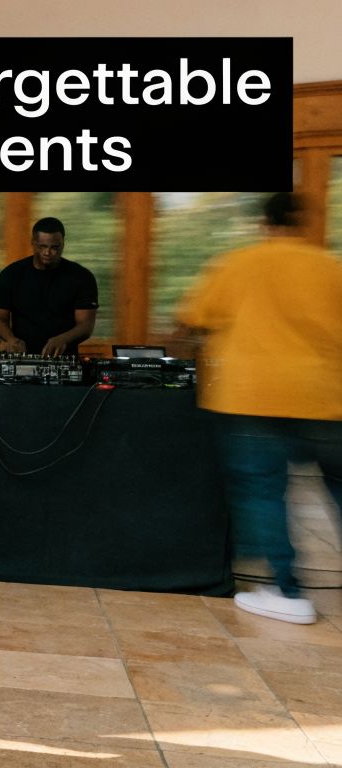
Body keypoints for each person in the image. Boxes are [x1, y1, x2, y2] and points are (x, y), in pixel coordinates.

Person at [175, 192, 342, 625]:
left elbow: (191, 320)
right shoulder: (331, 269)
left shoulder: (238, 263)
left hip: (253, 398)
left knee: (265, 493)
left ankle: (288, 593)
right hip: (327, 398)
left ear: (265, 224)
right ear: (303, 223)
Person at [0, 217, 98, 356]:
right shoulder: (11, 274)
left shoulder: (81, 277)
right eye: (42, 246)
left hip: (62, 357)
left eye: (54, 247)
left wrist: (63, 339)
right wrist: (11, 340)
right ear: (33, 243)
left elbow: (86, 325)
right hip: (21, 356)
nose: (48, 253)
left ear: (63, 244)